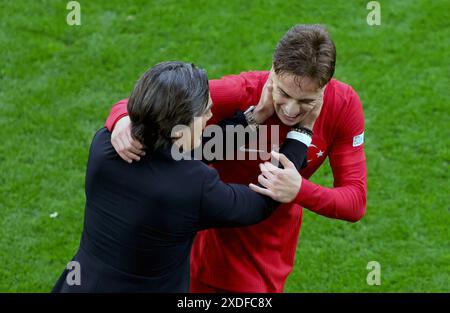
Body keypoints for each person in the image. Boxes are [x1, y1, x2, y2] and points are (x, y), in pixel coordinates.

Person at [104, 24, 367, 293]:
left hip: (269, 247)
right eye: (284, 94)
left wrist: (300, 189)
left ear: (325, 86)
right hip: (207, 236)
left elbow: (355, 201)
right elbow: (143, 102)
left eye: (306, 102)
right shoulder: (242, 91)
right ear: (272, 70)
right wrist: (122, 119)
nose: (290, 110)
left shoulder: (344, 106)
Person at [52, 61, 317, 292]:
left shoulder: (105, 146)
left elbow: (186, 154)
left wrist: (255, 116)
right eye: (205, 113)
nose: (211, 116)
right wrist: (301, 135)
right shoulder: (193, 186)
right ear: (179, 130)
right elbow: (259, 202)